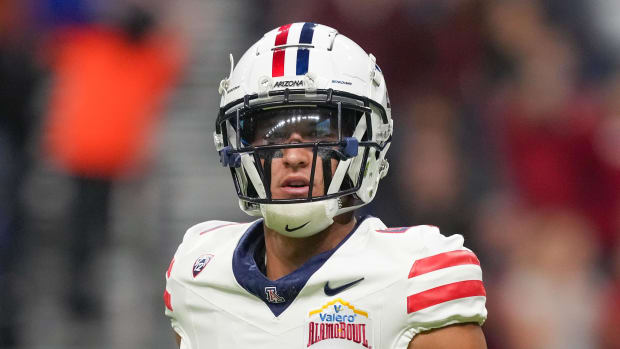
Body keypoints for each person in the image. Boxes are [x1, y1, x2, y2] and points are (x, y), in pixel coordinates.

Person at [163, 22, 487, 348]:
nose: (293, 156)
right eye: (273, 133)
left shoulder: (418, 274)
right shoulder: (199, 273)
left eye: (318, 132)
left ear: (365, 143)